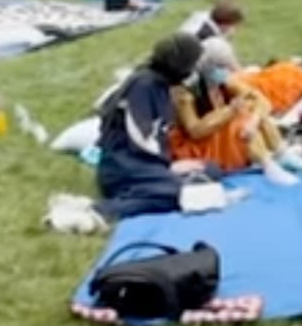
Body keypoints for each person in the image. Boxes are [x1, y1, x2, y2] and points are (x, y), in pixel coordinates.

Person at [79, 34, 218, 229]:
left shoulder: (160, 85)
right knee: (179, 193)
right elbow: (140, 138)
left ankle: (154, 186)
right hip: (124, 166)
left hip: (146, 164)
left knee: (211, 169)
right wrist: (168, 166)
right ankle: (102, 210)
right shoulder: (143, 86)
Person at [169, 8, 302, 186]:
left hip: (219, 130)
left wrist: (253, 120)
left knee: (249, 111)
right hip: (193, 145)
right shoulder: (184, 91)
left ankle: (281, 153)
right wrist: (231, 112)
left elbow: (259, 98)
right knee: (239, 119)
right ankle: (268, 164)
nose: (223, 72)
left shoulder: (218, 76)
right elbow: (195, 131)